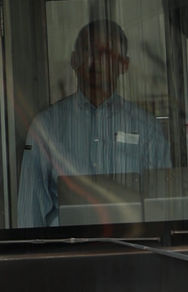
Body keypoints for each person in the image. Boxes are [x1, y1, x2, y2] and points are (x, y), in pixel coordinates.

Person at [17, 17, 171, 227]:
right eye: (87, 51)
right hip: (66, 254)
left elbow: (162, 209)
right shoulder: (45, 127)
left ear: (123, 65)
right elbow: (29, 212)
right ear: (74, 60)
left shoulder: (147, 129)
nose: (94, 60)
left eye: (106, 52)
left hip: (131, 254)